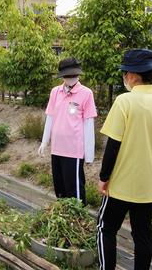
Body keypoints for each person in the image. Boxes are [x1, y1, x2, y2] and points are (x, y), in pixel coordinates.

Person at [96, 49, 152, 270]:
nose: (124, 77)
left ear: (132, 74)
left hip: (121, 183)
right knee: (143, 233)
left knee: (106, 227)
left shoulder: (125, 101)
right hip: (149, 184)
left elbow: (112, 146)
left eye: (125, 72)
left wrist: (104, 177)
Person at [38, 57, 97, 205]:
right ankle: (63, 220)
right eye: (67, 76)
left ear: (78, 75)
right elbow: (50, 117)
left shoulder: (86, 93)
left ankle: (79, 222)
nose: (71, 79)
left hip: (74, 150)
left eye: (73, 75)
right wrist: (44, 142)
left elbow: (88, 124)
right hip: (57, 148)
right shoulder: (55, 92)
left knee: (74, 190)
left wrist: (89, 154)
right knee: (60, 188)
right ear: (62, 76)